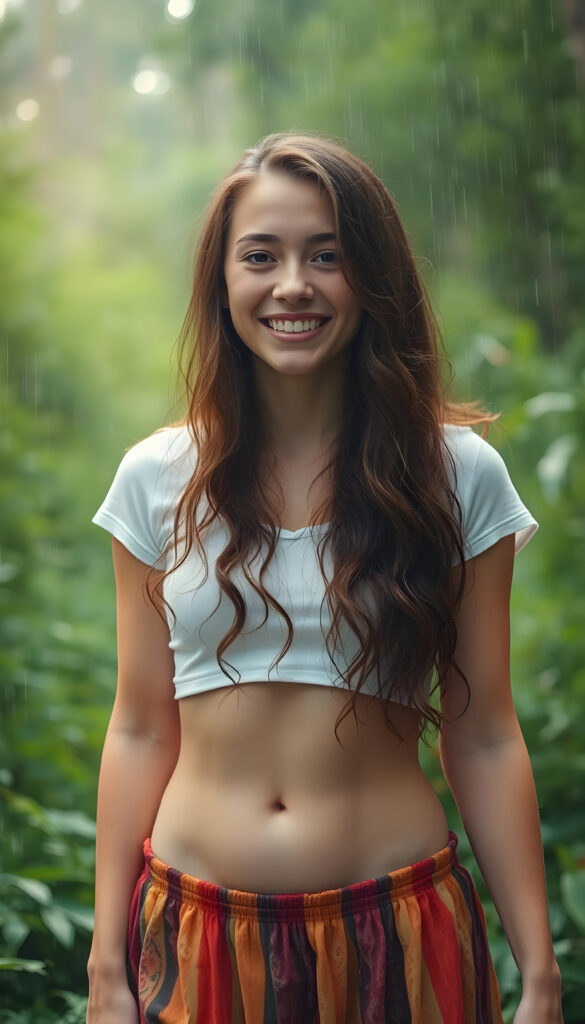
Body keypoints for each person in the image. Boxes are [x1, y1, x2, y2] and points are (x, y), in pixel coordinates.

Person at [86, 132, 563, 1024]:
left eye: (327, 256)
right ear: (223, 282)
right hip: (197, 935)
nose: (292, 285)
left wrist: (539, 971)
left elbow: (485, 735)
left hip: (402, 927)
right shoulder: (156, 477)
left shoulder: (456, 475)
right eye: (259, 256)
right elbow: (142, 726)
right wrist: (107, 955)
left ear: (371, 279)